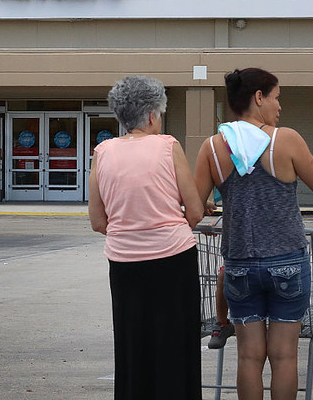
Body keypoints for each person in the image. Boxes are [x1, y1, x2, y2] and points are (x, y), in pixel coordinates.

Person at [194, 67, 313, 400]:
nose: (279, 107)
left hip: (239, 264)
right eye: (277, 97)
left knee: (248, 357)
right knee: (284, 357)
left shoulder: (212, 148)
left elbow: (194, 209)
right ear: (259, 97)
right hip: (287, 261)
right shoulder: (285, 140)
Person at [89, 75, 204, 400]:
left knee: (131, 344)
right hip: (173, 261)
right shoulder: (168, 146)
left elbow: (98, 220)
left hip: (124, 264)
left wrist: (131, 227)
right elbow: (194, 211)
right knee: (176, 345)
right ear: (152, 115)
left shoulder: (103, 152)